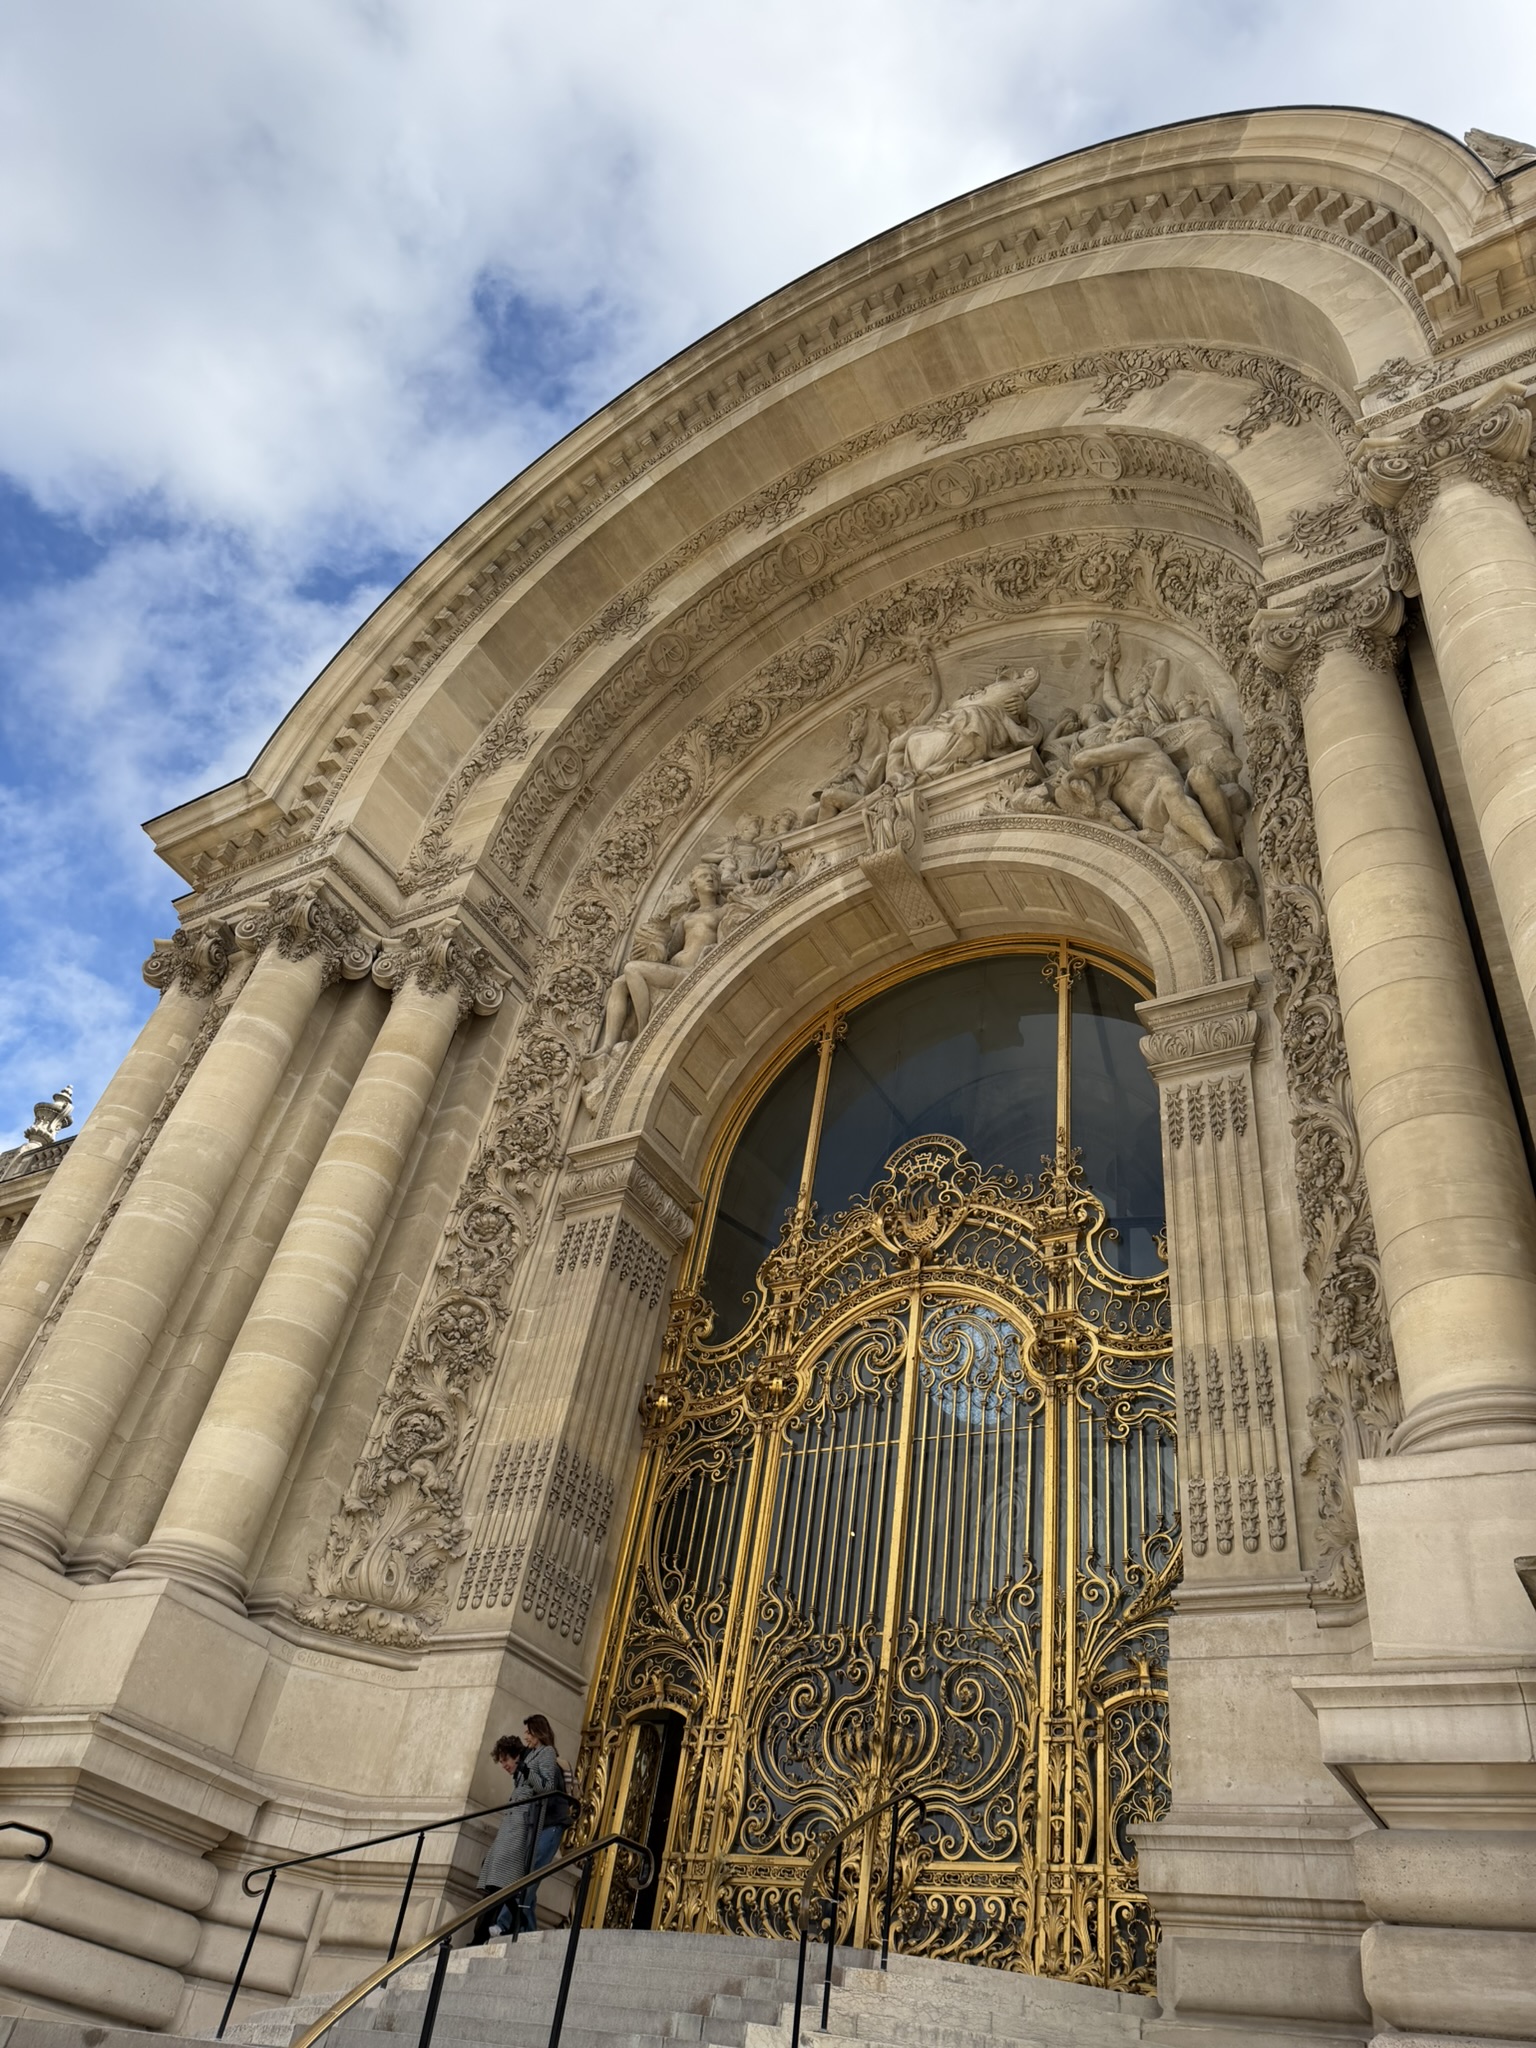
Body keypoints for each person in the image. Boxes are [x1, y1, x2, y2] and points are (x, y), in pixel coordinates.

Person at [510, 1714, 569, 1933]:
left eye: (528, 1732)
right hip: (537, 1824)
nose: (525, 1736)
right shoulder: (533, 1756)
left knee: (531, 1872)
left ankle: (505, 1922)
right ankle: (528, 1929)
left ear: (537, 1733)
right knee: (527, 1872)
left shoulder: (548, 1757)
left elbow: (547, 1789)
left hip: (551, 1824)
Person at [473, 1735, 530, 1943]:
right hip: (507, 1842)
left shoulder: (527, 1777)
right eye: (501, 1761)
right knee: (500, 1890)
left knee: (497, 1890)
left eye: (506, 1760)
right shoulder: (519, 1779)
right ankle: (519, 1922)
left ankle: (480, 1937)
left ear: (516, 1756)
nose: (504, 1765)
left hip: (514, 1842)